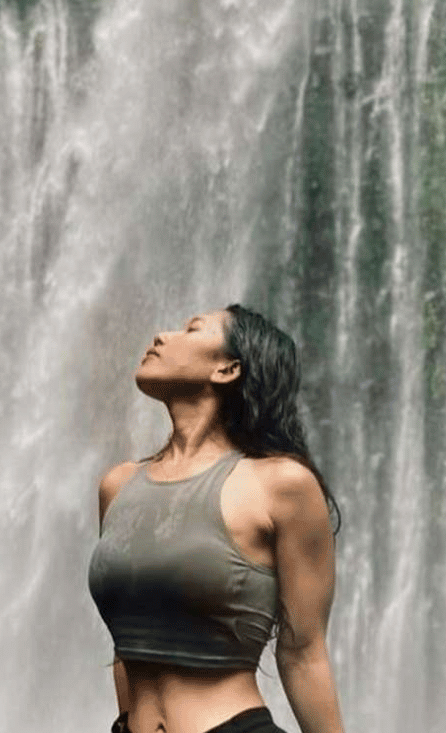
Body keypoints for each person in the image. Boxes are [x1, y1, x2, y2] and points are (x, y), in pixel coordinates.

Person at [86, 305, 345, 733]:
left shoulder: (282, 484)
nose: (161, 336)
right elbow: (128, 647)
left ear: (227, 369)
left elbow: (304, 653)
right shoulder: (118, 485)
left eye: (192, 329)